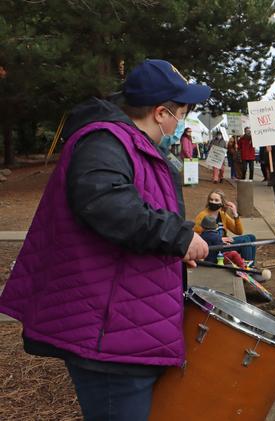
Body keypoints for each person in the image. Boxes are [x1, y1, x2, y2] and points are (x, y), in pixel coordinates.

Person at [0, 59, 210, 420]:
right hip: (108, 333)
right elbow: (109, 206)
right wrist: (177, 236)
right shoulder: (106, 142)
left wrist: (175, 246)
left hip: (125, 324)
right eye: (183, 113)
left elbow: (139, 211)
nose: (183, 124)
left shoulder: (132, 144)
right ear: (161, 113)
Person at [194, 189, 256, 264]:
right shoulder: (202, 215)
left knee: (252, 237)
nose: (213, 202)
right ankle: (246, 267)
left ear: (222, 203)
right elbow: (196, 236)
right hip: (214, 247)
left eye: (216, 200)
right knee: (245, 240)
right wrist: (220, 239)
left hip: (224, 244)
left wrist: (235, 214)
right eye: (211, 199)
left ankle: (251, 264)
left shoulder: (222, 214)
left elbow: (238, 231)